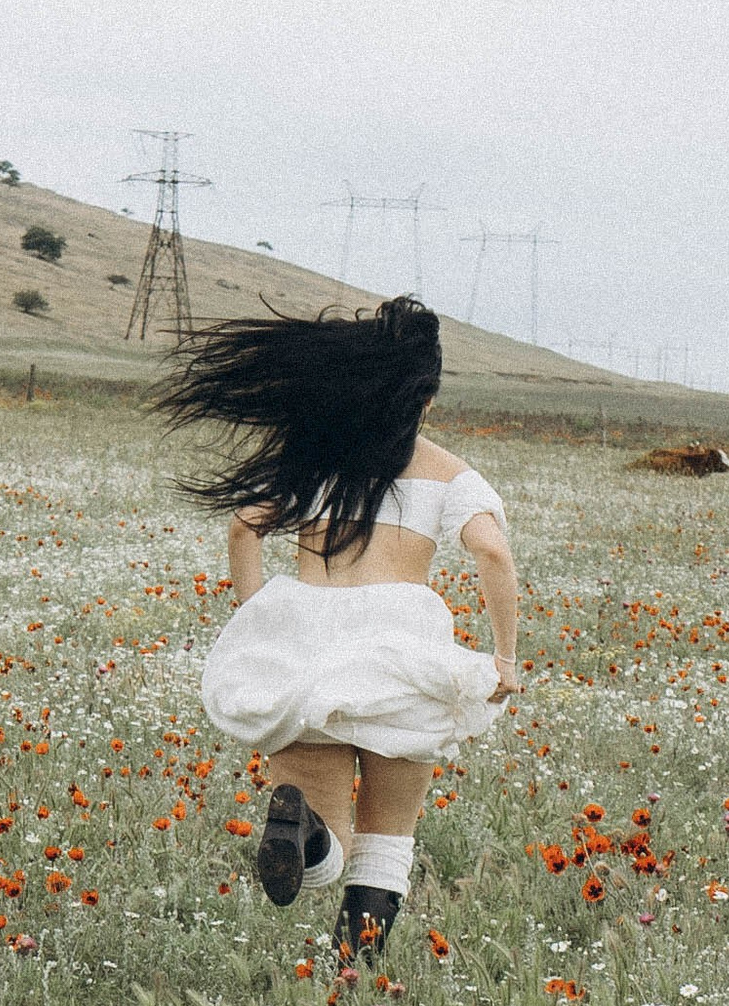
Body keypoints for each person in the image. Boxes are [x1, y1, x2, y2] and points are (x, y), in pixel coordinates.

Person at [159, 296, 521, 956]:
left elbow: (244, 526)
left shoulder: (318, 457)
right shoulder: (449, 473)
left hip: (304, 639)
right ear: (427, 398)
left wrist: (257, 617)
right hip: (401, 648)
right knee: (387, 834)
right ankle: (353, 976)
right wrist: (504, 658)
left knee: (325, 830)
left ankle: (305, 834)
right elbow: (493, 553)